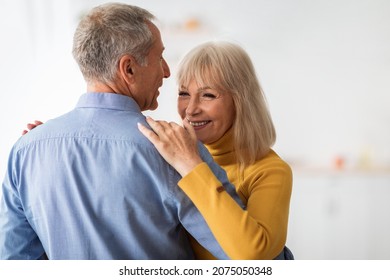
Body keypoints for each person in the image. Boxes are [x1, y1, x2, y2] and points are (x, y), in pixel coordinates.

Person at [0, 3, 243, 260]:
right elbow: (249, 256)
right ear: (128, 69)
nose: (166, 72)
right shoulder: (174, 151)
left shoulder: (26, 150)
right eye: (160, 58)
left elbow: (15, 262)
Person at [138, 41, 293, 259]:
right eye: (184, 93)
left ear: (240, 101)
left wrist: (192, 166)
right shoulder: (170, 157)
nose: (190, 110)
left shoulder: (270, 170)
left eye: (208, 95)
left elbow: (254, 256)